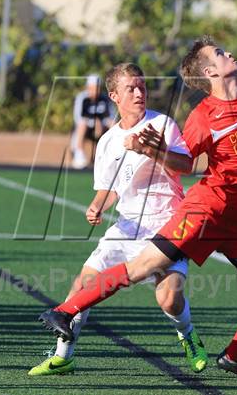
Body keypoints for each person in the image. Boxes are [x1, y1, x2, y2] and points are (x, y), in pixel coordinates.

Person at [39, 0, 237, 381]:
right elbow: (186, 163)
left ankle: (235, 356)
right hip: (206, 211)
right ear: (210, 72)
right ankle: (65, 311)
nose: (230, 54)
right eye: (221, 54)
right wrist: (154, 151)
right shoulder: (203, 116)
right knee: (143, 267)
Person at [30, 63, 208, 375]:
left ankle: (187, 334)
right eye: (131, 88)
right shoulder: (108, 141)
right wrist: (96, 206)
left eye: (142, 86)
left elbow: (186, 166)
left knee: (168, 299)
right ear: (114, 96)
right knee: (82, 285)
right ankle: (63, 356)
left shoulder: (162, 124)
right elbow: (108, 188)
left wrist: (149, 149)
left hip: (168, 224)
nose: (140, 93)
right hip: (127, 226)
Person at [71, 74, 116, 169]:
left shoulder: (105, 99)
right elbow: (78, 118)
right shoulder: (82, 98)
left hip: (102, 128)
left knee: (113, 124)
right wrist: (94, 122)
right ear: (88, 87)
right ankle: (78, 155)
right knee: (82, 124)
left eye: (98, 88)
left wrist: (101, 124)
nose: (96, 91)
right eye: (93, 88)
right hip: (86, 129)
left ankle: (113, 155)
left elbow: (112, 116)